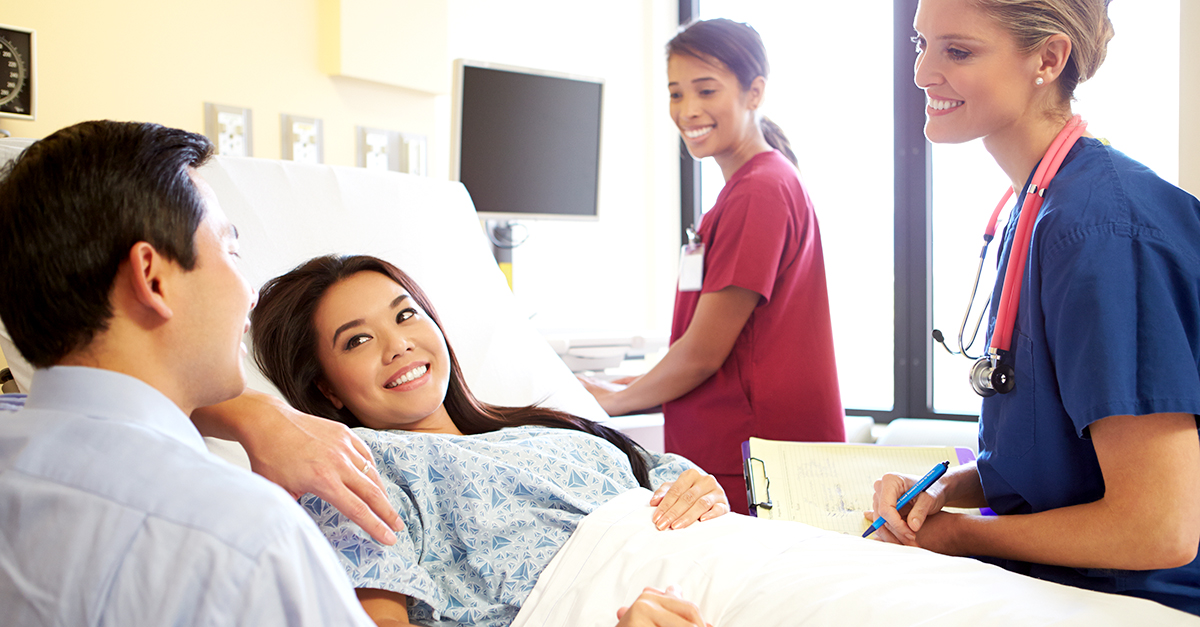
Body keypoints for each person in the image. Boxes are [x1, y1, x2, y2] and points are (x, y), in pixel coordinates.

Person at [870, 0, 1200, 615]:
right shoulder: (1038, 206)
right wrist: (943, 493)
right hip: (1049, 588)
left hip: (1143, 604)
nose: (920, 74)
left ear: (1047, 58)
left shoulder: (1100, 229)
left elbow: (1160, 527)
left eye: (957, 51)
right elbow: (1059, 466)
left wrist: (962, 536)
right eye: (921, 46)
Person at [0, 121, 375, 625]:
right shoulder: (248, 539)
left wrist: (257, 414)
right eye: (231, 251)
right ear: (153, 278)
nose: (251, 292)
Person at [249, 254, 730, 627]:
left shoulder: (548, 428)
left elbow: (671, 481)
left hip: (738, 571)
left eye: (405, 315)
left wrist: (702, 491)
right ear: (327, 389)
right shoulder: (360, 471)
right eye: (357, 340)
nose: (399, 345)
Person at [579, 18, 845, 515]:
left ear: (754, 92)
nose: (687, 110)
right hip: (746, 458)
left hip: (754, 466)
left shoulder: (760, 191)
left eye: (706, 90)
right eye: (676, 93)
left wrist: (612, 403)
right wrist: (609, 388)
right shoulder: (752, 188)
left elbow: (703, 355)